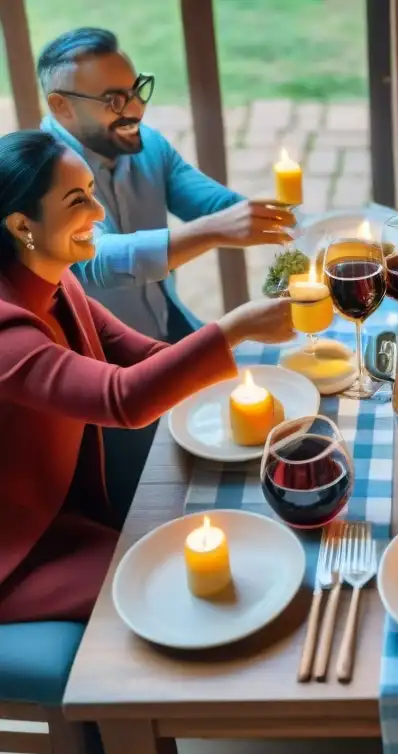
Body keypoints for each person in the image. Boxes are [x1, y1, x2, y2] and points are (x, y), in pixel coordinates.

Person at [0, 130, 295, 624]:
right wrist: (236, 327)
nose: (97, 215)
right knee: (176, 595)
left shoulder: (56, 280)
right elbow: (124, 399)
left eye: (93, 192)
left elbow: (141, 355)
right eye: (78, 201)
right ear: (22, 225)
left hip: (71, 511)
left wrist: (244, 377)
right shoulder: (7, 328)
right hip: (20, 548)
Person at [37, 26, 295, 341]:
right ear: (61, 106)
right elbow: (99, 260)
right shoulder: (42, 175)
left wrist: (303, 230)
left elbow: (216, 206)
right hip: (104, 361)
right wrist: (214, 230)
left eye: (135, 90)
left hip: (169, 327)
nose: (136, 109)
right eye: (114, 101)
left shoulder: (149, 145)